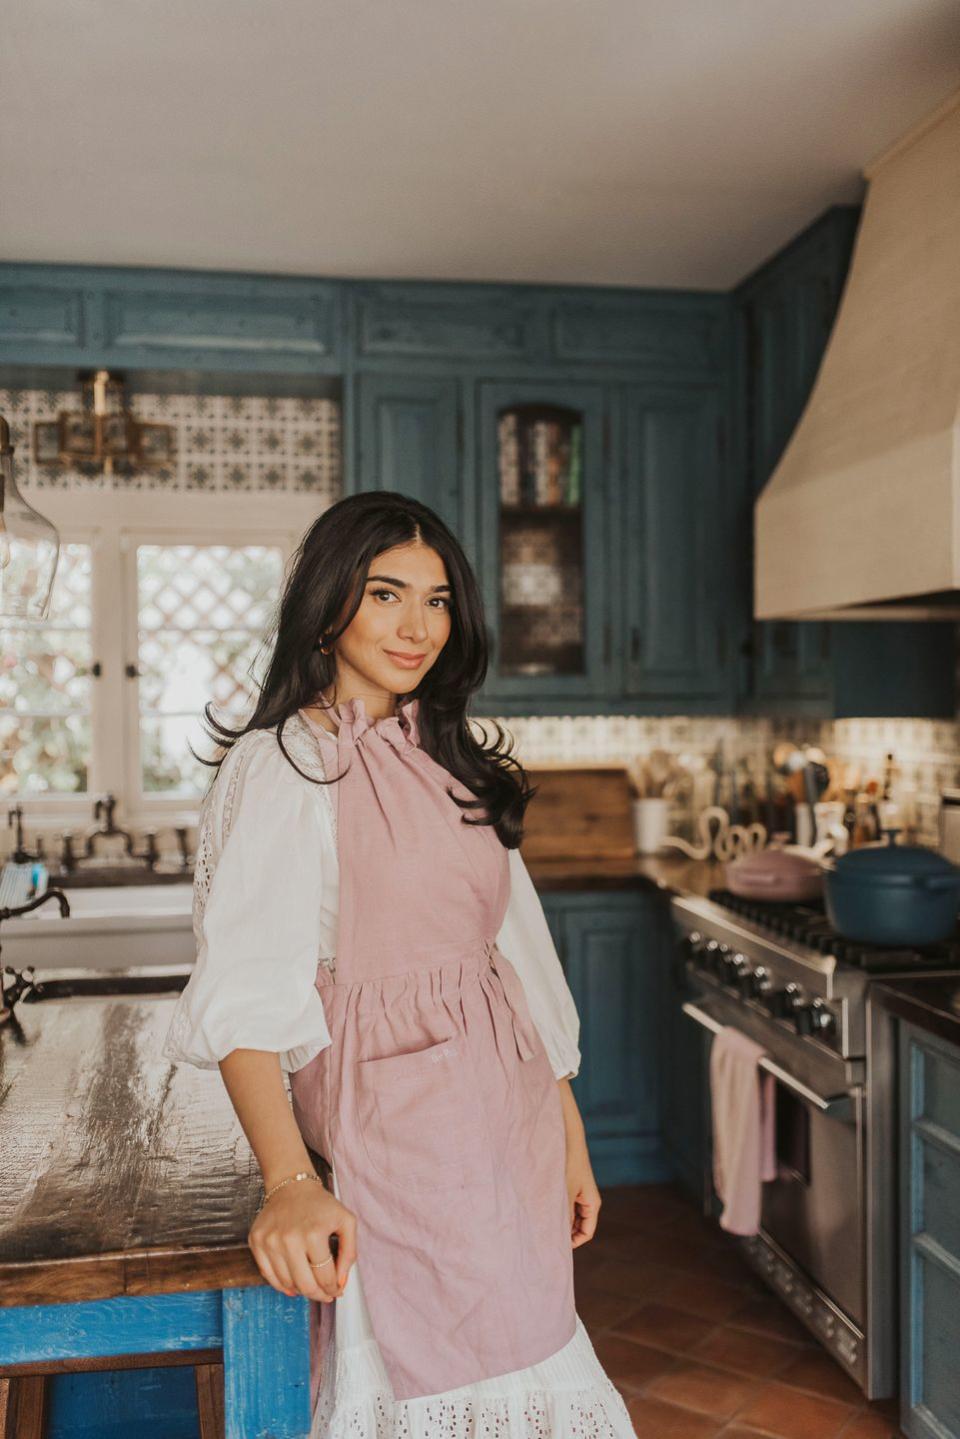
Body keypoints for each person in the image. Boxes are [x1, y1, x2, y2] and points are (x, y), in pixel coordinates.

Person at [164, 491, 636, 1437]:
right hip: (397, 1145)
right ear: (330, 601)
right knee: (431, 1378)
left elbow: (518, 958)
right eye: (386, 594)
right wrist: (289, 1183)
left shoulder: (446, 753)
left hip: (507, 1133)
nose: (417, 626)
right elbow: (251, 998)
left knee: (525, 1349)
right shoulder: (284, 763)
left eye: (438, 600)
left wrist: (568, 1128)